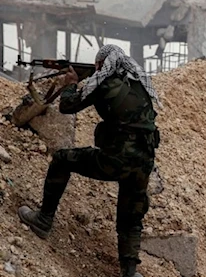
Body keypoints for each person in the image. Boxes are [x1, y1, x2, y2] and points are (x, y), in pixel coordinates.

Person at [18, 45, 161, 277]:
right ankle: (130, 271)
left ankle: (43, 220)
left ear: (102, 65)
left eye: (97, 66)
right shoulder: (138, 83)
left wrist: (72, 83)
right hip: (144, 161)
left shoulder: (102, 83)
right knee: (130, 215)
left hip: (116, 159)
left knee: (62, 159)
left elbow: (67, 106)